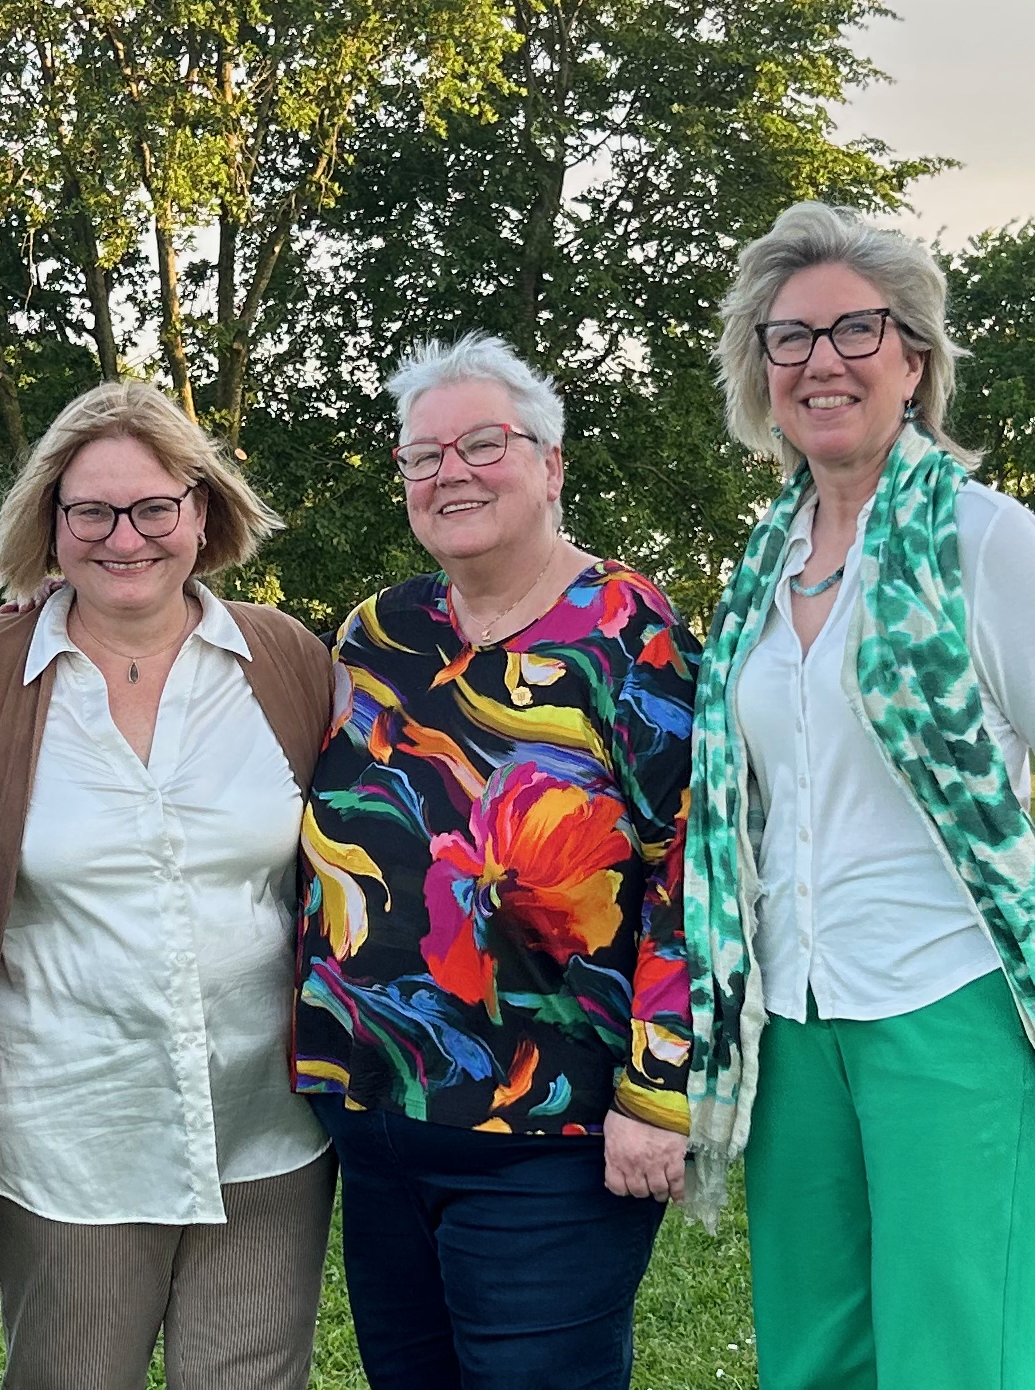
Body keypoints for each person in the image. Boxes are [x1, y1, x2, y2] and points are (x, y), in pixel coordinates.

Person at [682, 201, 1035, 1390]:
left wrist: (1024, 998)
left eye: (855, 329)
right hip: (788, 1020)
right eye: (786, 338)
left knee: (958, 1356)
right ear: (761, 373)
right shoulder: (758, 566)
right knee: (812, 1353)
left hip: (949, 1009)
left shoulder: (985, 543)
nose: (820, 361)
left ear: (913, 357)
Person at [293, 334, 701, 1389]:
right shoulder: (376, 633)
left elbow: (692, 868)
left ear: (551, 465)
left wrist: (659, 1092)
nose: (449, 473)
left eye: (482, 444)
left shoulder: (630, 634)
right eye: (422, 457)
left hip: (548, 1130)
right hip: (374, 1114)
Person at [0, 381, 338, 1390]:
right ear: (50, 524)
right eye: (91, 511)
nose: (125, 537)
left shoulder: (285, 661)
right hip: (66, 1137)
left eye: (153, 507)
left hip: (266, 1130)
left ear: (200, 512)